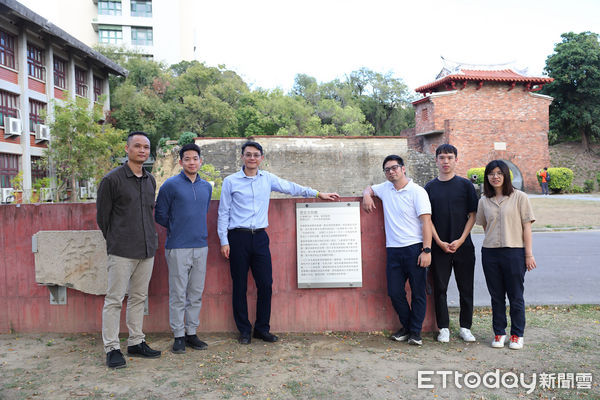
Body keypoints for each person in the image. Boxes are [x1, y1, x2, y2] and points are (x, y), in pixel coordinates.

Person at [217, 141, 339, 344]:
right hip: (237, 237)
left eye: (256, 155)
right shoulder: (231, 181)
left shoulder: (268, 179)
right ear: (242, 157)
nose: (252, 158)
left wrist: (318, 194)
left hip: (260, 238)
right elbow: (223, 212)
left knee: (265, 284)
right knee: (239, 286)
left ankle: (262, 329)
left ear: (261, 158)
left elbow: (290, 187)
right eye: (248, 154)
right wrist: (223, 240)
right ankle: (244, 331)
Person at [96, 131, 161, 369]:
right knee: (114, 300)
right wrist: (116, 240)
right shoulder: (111, 180)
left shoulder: (150, 180)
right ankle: (112, 348)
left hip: (147, 250)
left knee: (138, 298)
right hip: (122, 250)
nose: (142, 150)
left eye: (146, 147)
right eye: (137, 146)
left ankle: (136, 341)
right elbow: (103, 219)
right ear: (127, 149)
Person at [362, 155, 432, 346]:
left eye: (394, 168)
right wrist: (367, 195)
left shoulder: (417, 192)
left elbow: (426, 222)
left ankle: (415, 333)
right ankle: (408, 327)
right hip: (393, 250)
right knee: (394, 292)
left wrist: (426, 250)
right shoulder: (385, 188)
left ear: (403, 169)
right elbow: (369, 187)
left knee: (418, 292)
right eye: (387, 170)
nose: (391, 172)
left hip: (415, 248)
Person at [155, 143, 212, 354]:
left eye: (195, 158)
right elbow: (160, 215)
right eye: (187, 159)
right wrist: (176, 228)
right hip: (178, 247)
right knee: (178, 294)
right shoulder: (170, 185)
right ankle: (178, 335)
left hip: (200, 245)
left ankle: (191, 333)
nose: (192, 162)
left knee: (195, 293)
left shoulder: (206, 186)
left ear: (200, 161)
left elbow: (203, 212)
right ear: (181, 162)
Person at [476, 160, 537, 350]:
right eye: (491, 173)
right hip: (490, 253)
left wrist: (528, 254)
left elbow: (527, 227)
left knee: (516, 296)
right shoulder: (484, 201)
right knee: (496, 296)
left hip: (514, 252)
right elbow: (485, 225)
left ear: (506, 175)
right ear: (487, 177)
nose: (495, 176)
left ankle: (517, 334)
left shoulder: (520, 197)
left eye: (499, 173)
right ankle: (499, 332)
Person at [425, 144, 478, 343]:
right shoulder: (429, 187)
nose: (445, 161)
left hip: (463, 246)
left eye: (449, 157)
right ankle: (443, 327)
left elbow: (472, 216)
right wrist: (438, 241)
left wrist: (461, 239)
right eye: (442, 157)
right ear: (436, 160)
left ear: (456, 159)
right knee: (440, 288)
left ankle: (466, 327)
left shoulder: (465, 186)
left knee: (466, 288)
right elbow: (427, 218)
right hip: (439, 248)